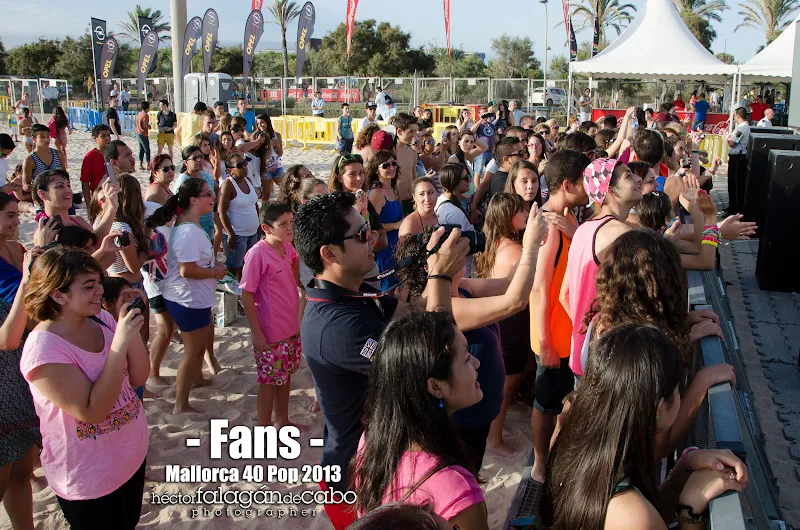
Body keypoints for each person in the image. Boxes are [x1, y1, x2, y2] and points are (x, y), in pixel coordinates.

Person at [295, 191, 468, 530]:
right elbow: (426, 362)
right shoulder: (337, 326)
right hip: (357, 481)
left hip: (372, 461)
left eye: (370, 229)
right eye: (361, 236)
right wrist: (440, 278)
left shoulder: (349, 291)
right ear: (329, 253)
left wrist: (426, 263)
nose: (374, 241)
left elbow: (406, 312)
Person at [541, 324, 748, 530]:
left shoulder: (578, 430)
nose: (679, 395)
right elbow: (640, 515)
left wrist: (684, 467)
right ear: (659, 408)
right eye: (677, 390)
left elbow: (649, 510)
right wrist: (690, 510)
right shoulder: (630, 514)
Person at [395, 203, 547, 470]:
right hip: (466, 418)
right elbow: (514, 301)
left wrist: (531, 241)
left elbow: (507, 284)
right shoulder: (444, 307)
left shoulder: (459, 288)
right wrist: (532, 247)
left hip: (480, 408)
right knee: (467, 469)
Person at [21, 247, 149, 528]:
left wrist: (126, 325)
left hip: (129, 457)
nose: (100, 291)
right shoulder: (44, 351)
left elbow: (139, 377)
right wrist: (119, 342)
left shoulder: (99, 318)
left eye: (99, 283)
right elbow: (92, 412)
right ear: (58, 294)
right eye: (89, 286)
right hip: (89, 477)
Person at [351, 311, 488, 529]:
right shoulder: (457, 490)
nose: (477, 362)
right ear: (436, 386)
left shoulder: (370, 440)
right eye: (465, 358)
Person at [527, 149, 590, 482]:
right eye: (584, 182)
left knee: (563, 402)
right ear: (568, 184)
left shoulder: (567, 219)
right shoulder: (549, 226)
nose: (591, 187)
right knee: (546, 404)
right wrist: (546, 342)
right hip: (552, 336)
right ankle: (539, 463)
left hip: (570, 334)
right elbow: (538, 289)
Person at [561, 158, 641, 377]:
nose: (638, 179)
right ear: (610, 191)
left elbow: (565, 295)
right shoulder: (621, 235)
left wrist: (585, 329)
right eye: (628, 176)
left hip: (582, 353)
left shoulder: (583, 229)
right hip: (607, 361)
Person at [156, 179, 226, 413]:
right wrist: (215, 271)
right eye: (207, 194)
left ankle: (196, 380)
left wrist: (211, 265)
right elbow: (187, 270)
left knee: (197, 348)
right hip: (187, 299)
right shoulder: (187, 231)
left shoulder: (189, 226)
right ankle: (180, 404)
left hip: (193, 297)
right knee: (193, 351)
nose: (212, 197)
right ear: (193, 200)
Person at [472, 193, 532, 457]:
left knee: (503, 384)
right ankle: (494, 440)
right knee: (506, 387)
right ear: (509, 217)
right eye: (522, 211)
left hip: (500, 322)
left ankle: (495, 431)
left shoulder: (495, 242)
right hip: (513, 324)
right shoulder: (516, 250)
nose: (527, 214)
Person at [241, 201, 303, 427]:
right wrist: (256, 333)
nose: (290, 228)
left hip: (290, 327)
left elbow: (294, 263)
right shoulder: (257, 254)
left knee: (285, 376)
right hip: (269, 332)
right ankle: (264, 428)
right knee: (268, 382)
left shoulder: (287, 247)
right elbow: (246, 294)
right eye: (283, 224)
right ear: (266, 228)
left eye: (291, 223)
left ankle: (282, 421)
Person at [0, 228, 40, 530]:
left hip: (18, 381)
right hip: (3, 386)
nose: (15, 221)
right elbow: (7, 339)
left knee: (21, 472)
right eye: (9, 215)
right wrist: (26, 282)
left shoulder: (15, 249)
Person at [218, 153, 260, 279]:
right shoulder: (228, 185)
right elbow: (221, 211)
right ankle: (232, 296)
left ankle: (242, 294)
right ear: (230, 170)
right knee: (233, 267)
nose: (245, 167)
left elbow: (254, 205)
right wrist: (230, 234)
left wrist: (258, 226)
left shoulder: (248, 181)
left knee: (247, 266)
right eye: (240, 165)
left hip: (252, 234)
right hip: (238, 235)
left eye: (245, 163)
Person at [366, 151, 403, 291]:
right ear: (377, 170)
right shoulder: (376, 193)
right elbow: (371, 225)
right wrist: (396, 225)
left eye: (393, 163)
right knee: (385, 289)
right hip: (383, 248)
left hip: (395, 245)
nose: (391, 168)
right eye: (386, 165)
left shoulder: (393, 189)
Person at [436, 165, 476, 277]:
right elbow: (460, 247)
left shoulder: (441, 200)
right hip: (461, 273)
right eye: (465, 178)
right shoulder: (453, 213)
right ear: (455, 183)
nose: (470, 180)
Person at [171, 146, 216, 240]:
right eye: (194, 158)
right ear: (186, 162)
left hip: (208, 224)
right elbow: (177, 206)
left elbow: (217, 189)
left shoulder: (206, 176)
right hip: (191, 228)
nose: (199, 160)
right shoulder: (184, 180)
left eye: (201, 157)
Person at [22, 125, 64, 196]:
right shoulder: (30, 160)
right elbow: (25, 185)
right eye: (42, 137)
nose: (46, 139)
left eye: (48, 136)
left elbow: (64, 175)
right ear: (34, 139)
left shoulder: (59, 154)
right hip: (42, 197)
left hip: (60, 195)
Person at [393, 114, 421, 214]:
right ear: (399, 132)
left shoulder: (412, 152)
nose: (415, 135)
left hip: (411, 201)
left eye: (416, 131)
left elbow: (414, 177)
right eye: (411, 131)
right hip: (396, 203)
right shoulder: (390, 154)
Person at [79, 124, 112, 206]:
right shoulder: (90, 157)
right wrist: (88, 203)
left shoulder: (114, 153)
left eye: (108, 135)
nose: (107, 138)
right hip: (100, 197)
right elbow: (85, 182)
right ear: (95, 138)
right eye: (103, 136)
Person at [726, 108, 750, 215]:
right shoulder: (740, 127)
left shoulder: (742, 127)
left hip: (738, 158)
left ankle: (735, 208)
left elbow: (732, 143)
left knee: (735, 184)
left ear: (738, 116)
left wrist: (728, 139)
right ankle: (732, 206)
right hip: (735, 157)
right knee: (732, 183)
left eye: (735, 116)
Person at [255, 114, 284, 199]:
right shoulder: (258, 136)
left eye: (262, 123)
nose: (260, 126)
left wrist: (277, 144)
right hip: (265, 168)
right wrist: (270, 146)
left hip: (277, 166)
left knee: (286, 187)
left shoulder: (276, 135)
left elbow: (280, 153)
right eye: (258, 124)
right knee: (266, 193)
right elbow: (260, 155)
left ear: (267, 122)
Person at [135, 101, 151, 171]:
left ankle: (140, 164)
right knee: (147, 150)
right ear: (147, 108)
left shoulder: (139, 114)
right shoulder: (145, 115)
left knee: (141, 150)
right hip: (143, 134)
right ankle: (148, 165)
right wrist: (149, 126)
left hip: (138, 133)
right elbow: (145, 125)